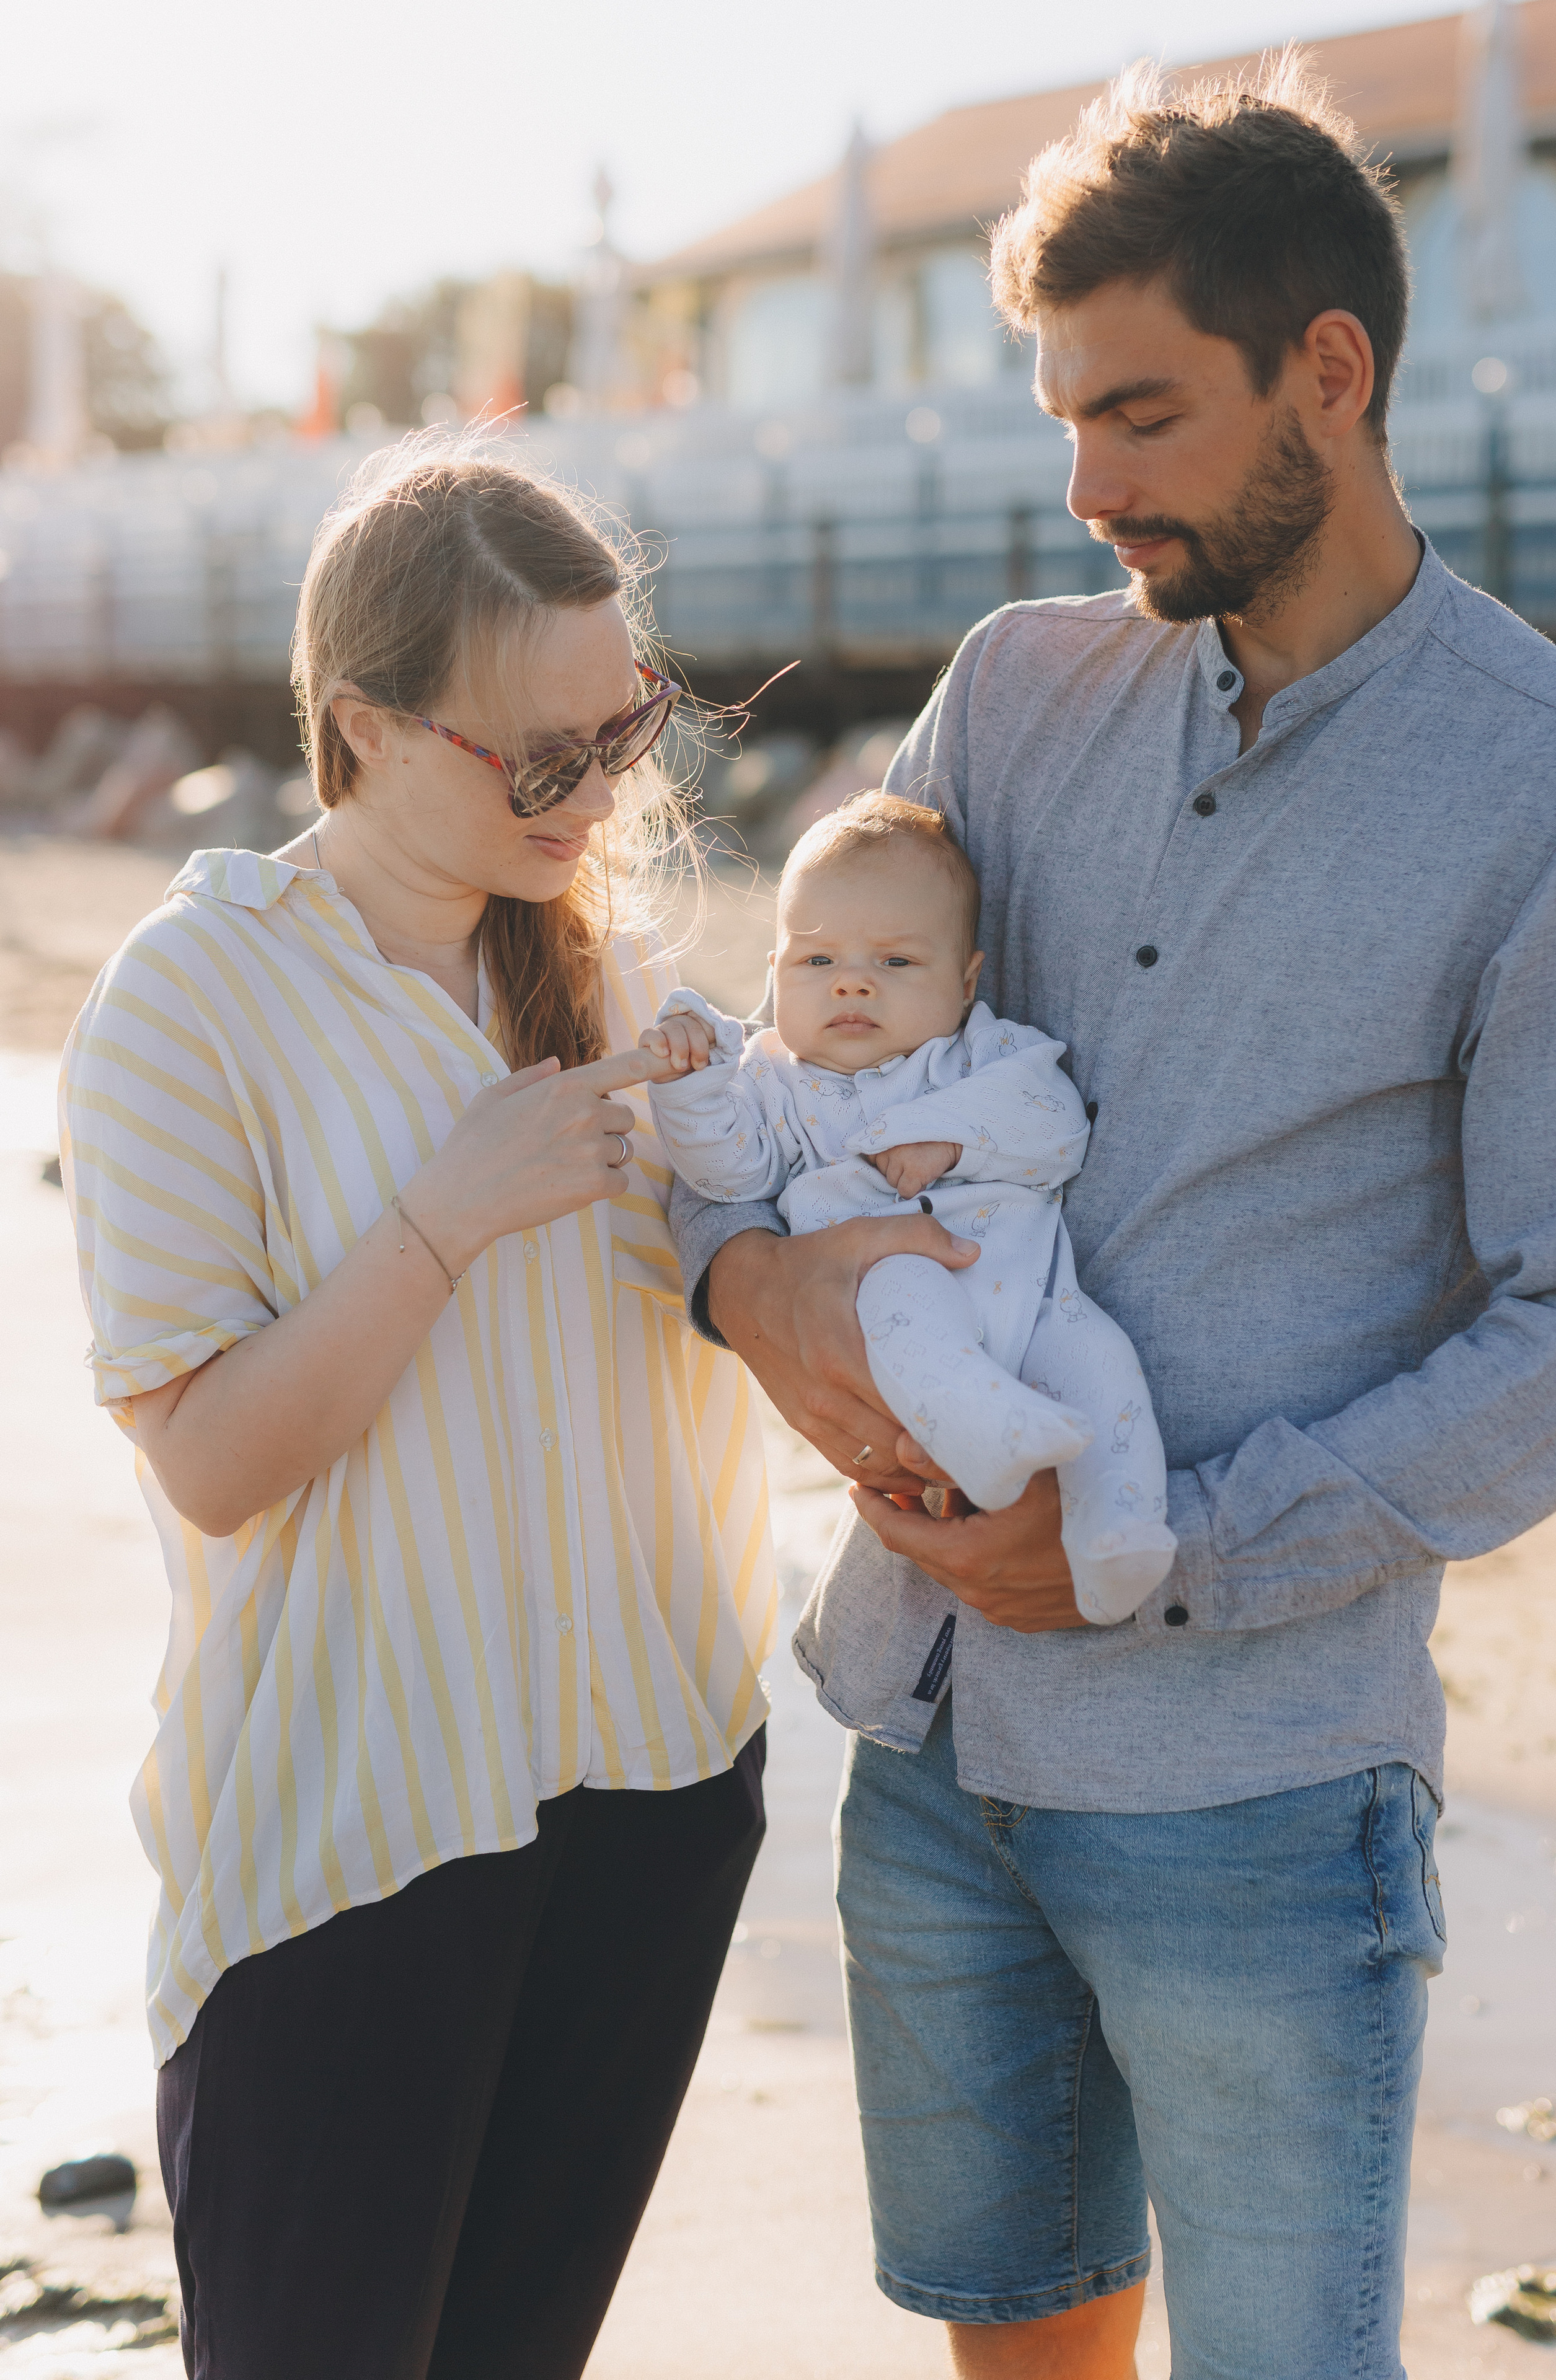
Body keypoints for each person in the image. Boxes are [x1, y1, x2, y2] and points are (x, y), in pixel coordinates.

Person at [670, 54, 1556, 2380]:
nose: (1087, 487)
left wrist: (1179, 1540)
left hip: (1259, 1781)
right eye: (1066, 415)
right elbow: (807, 1075)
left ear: (1333, 372)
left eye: (1147, 416)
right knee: (1017, 2352)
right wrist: (747, 1280)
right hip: (937, 1729)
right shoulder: (1010, 693)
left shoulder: (1546, 787)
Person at [59, 442, 776, 2380]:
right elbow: (212, 1466)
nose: (600, 793)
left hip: (646, 1796)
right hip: (347, 1836)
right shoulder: (183, 1006)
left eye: (618, 729)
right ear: (363, 729)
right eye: (538, 756)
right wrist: (441, 1221)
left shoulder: (614, 970)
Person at [642, 793, 1175, 1620]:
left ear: (966, 981)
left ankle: (1123, 1529)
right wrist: (694, 1082)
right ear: (775, 972)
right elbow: (726, 1174)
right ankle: (987, 1433)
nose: (852, 980)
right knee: (904, 1296)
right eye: (816, 964)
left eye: (894, 963)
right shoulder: (779, 1082)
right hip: (885, 1290)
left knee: (1104, 1366)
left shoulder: (989, 1054)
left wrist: (953, 1139)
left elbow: (1057, 1127)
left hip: (1036, 1296)